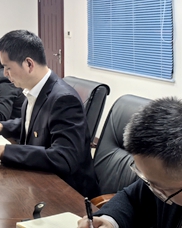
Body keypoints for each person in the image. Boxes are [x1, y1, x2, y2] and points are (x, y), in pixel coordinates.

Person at [0, 30, 99, 198]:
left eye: (8, 67)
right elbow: (31, 123)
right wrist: (0, 126)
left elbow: (64, 157)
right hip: (39, 180)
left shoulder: (64, 99)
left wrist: (4, 151)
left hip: (67, 193)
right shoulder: (36, 89)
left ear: (29, 64)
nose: (5, 74)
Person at [78, 97, 182, 228]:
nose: (151, 188)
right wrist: (109, 221)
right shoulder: (162, 178)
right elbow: (131, 198)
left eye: (159, 188)